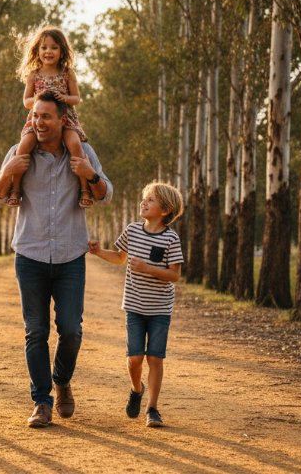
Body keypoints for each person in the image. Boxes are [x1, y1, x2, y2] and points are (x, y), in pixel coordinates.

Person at [0, 91, 113, 428]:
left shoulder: (82, 152)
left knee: (71, 330)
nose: (39, 122)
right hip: (30, 254)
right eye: (35, 116)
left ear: (63, 120)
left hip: (71, 255)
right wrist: (7, 172)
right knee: (36, 331)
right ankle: (41, 401)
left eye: (46, 116)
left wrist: (90, 174)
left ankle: (62, 380)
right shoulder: (19, 153)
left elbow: (105, 193)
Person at [88, 182, 184, 427]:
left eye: (150, 200)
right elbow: (120, 257)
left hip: (160, 308)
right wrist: (99, 252)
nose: (144, 202)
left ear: (165, 210)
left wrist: (148, 268)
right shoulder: (132, 230)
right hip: (134, 306)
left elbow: (174, 275)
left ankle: (152, 408)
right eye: (144, 198)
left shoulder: (171, 238)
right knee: (134, 359)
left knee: (155, 358)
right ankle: (136, 389)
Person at [7, 25, 93, 209]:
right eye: (44, 47)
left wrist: (64, 98)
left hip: (65, 118)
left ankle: (85, 190)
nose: (48, 51)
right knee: (23, 146)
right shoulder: (34, 75)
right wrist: (39, 98)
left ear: (62, 51)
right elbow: (26, 101)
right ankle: (15, 190)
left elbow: (76, 98)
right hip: (38, 119)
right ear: (37, 50)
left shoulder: (67, 73)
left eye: (54, 47)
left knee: (76, 145)